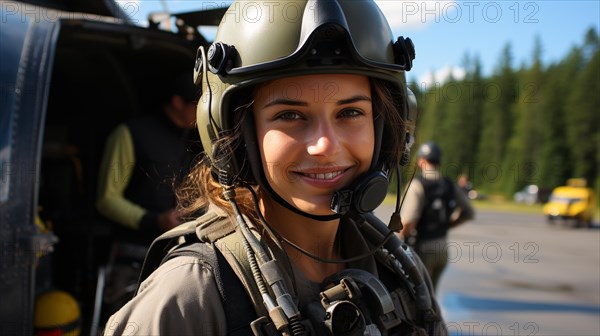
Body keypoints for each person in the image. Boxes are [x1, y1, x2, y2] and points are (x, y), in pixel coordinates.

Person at [104, 1, 447, 335]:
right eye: (290, 115)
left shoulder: (400, 270)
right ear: (236, 138)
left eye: (350, 112)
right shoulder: (190, 297)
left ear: (388, 127)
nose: (325, 145)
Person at [95, 73, 201, 311]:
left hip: (178, 254)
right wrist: (154, 220)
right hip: (131, 254)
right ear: (177, 102)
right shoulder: (130, 133)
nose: (202, 112)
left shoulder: (196, 139)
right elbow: (107, 199)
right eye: (197, 105)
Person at [400, 142, 475, 292]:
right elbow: (468, 212)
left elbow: (408, 222)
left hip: (423, 248)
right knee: (431, 294)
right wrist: (448, 224)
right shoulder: (449, 184)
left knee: (416, 295)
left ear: (421, 161)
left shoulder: (417, 185)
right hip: (442, 248)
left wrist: (399, 242)